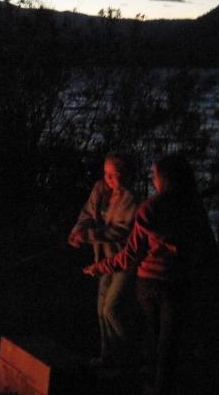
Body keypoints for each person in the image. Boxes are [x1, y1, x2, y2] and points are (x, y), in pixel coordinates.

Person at [86, 154, 216, 395]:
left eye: (155, 176)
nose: (153, 180)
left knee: (153, 338)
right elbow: (208, 246)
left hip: (150, 282)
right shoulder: (194, 208)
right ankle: (159, 385)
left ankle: (148, 382)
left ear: (164, 179)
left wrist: (100, 266)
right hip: (178, 282)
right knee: (170, 341)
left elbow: (130, 253)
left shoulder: (150, 207)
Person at [68, 153, 140, 365]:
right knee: (101, 309)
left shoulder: (131, 200)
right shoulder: (100, 189)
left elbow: (119, 231)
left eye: (113, 175)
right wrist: (77, 231)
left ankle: (131, 354)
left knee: (111, 308)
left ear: (125, 175)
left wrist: (89, 236)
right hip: (103, 258)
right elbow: (87, 213)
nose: (108, 179)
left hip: (124, 260)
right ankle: (107, 357)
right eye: (106, 173)